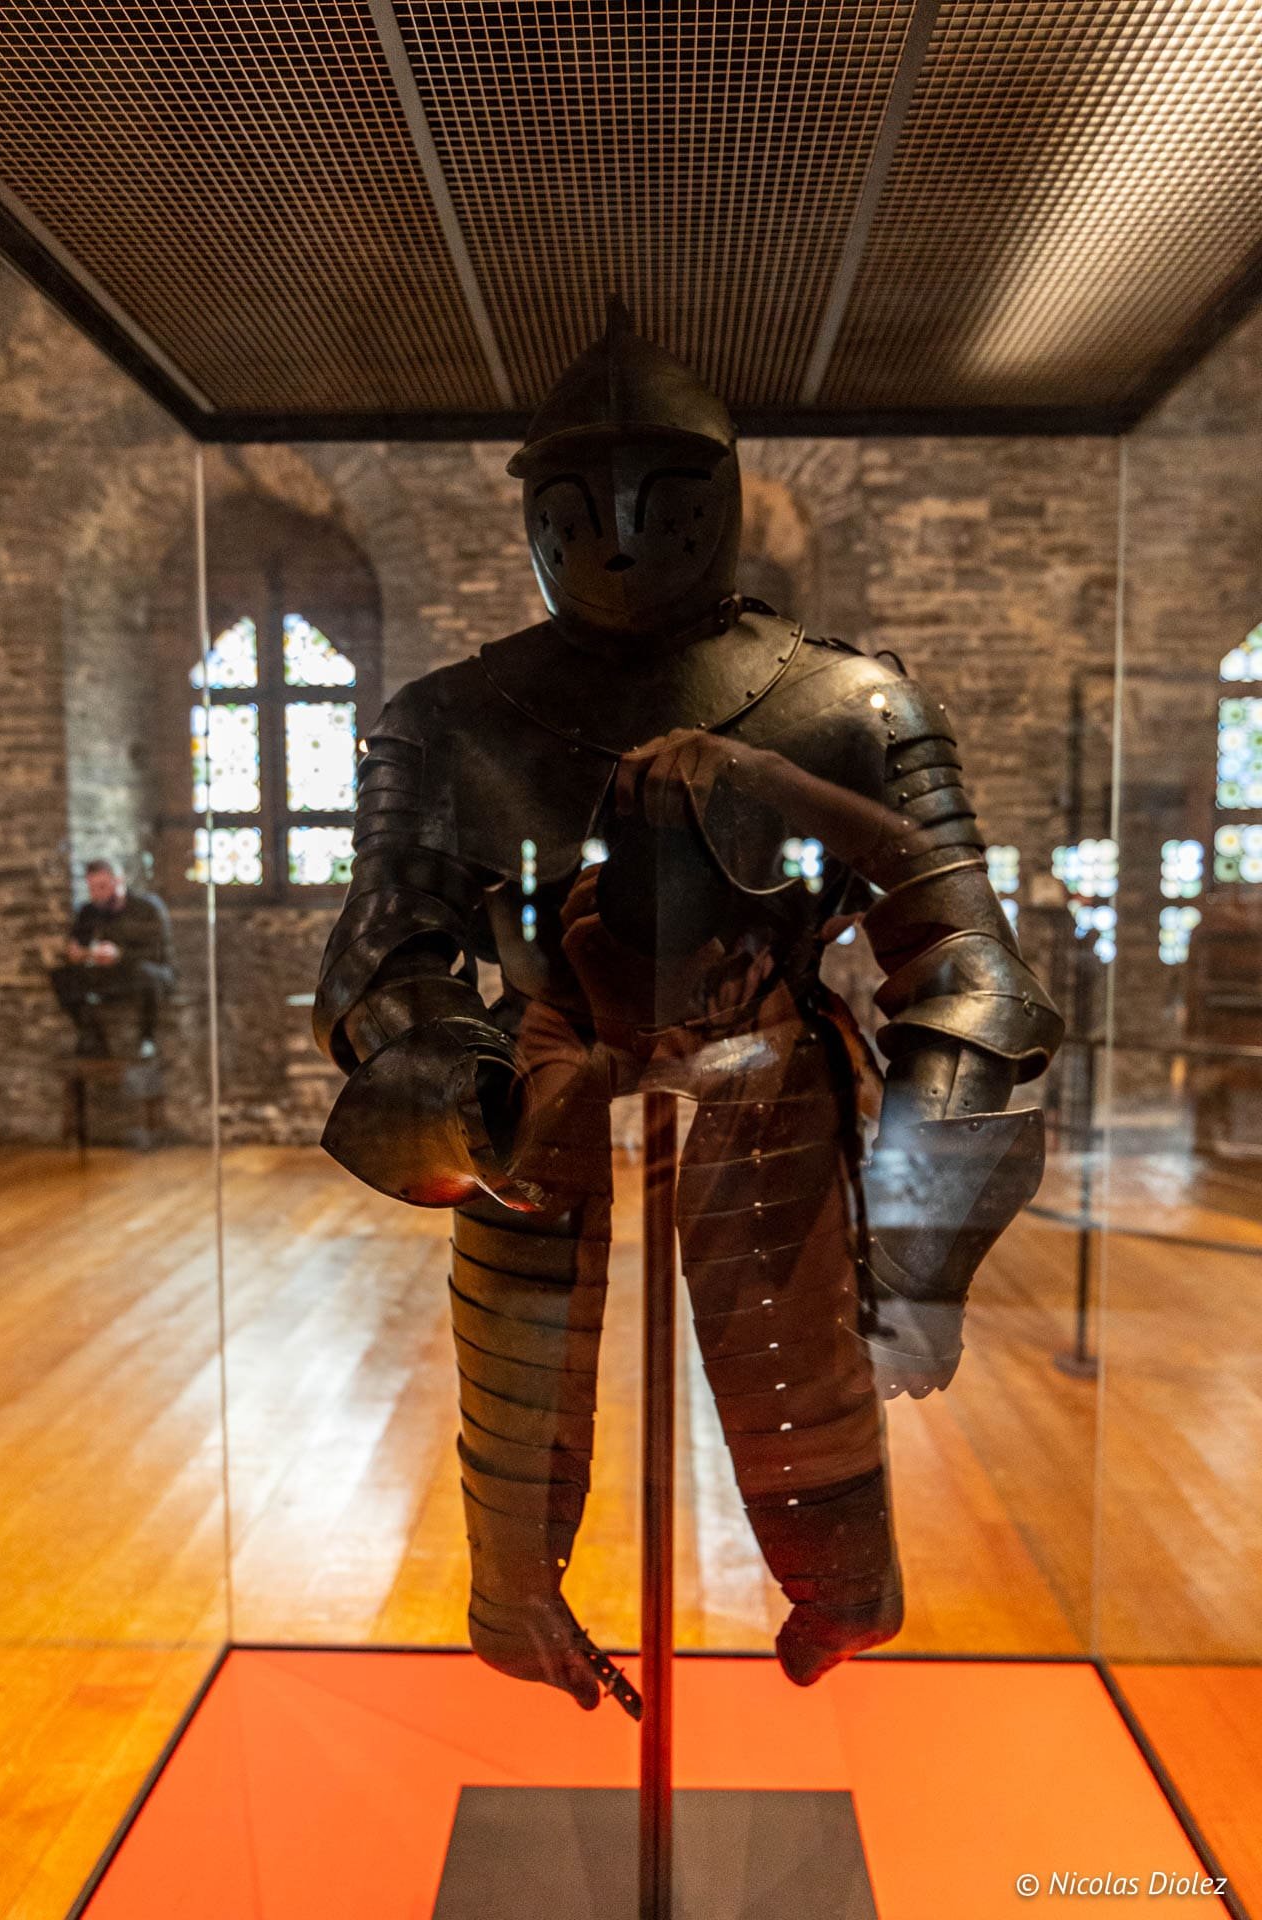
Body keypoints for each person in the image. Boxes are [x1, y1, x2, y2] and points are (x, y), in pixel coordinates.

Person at [313, 301, 1061, 1717]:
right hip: (542, 1079)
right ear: (534, 509)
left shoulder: (853, 701)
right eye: (579, 501)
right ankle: (518, 1602)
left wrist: (917, 1249)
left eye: (658, 498)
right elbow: (376, 963)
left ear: (714, 498)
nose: (618, 535)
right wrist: (477, 1089)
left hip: (762, 1078)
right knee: (519, 1456)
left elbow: (973, 976)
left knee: (807, 1401)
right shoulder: (447, 719)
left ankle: (839, 1591)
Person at [51, 859, 175, 1059]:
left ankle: (147, 1038)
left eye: (102, 887)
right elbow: (78, 945)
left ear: (118, 881)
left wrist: (120, 954)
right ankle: (92, 1036)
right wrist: (79, 953)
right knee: (63, 976)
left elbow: (158, 953)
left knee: (145, 973)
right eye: (92, 888)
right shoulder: (89, 911)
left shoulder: (146, 909)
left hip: (144, 972)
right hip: (111, 975)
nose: (96, 894)